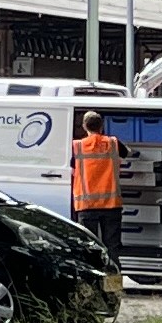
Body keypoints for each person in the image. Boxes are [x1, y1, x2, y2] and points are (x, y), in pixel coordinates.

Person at [68, 109, 123, 257]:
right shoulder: (113, 142)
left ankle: (93, 278)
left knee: (89, 247)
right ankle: (113, 280)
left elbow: (70, 168)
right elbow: (127, 153)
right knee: (112, 247)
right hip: (111, 204)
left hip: (87, 206)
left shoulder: (77, 146)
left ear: (84, 126)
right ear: (102, 126)